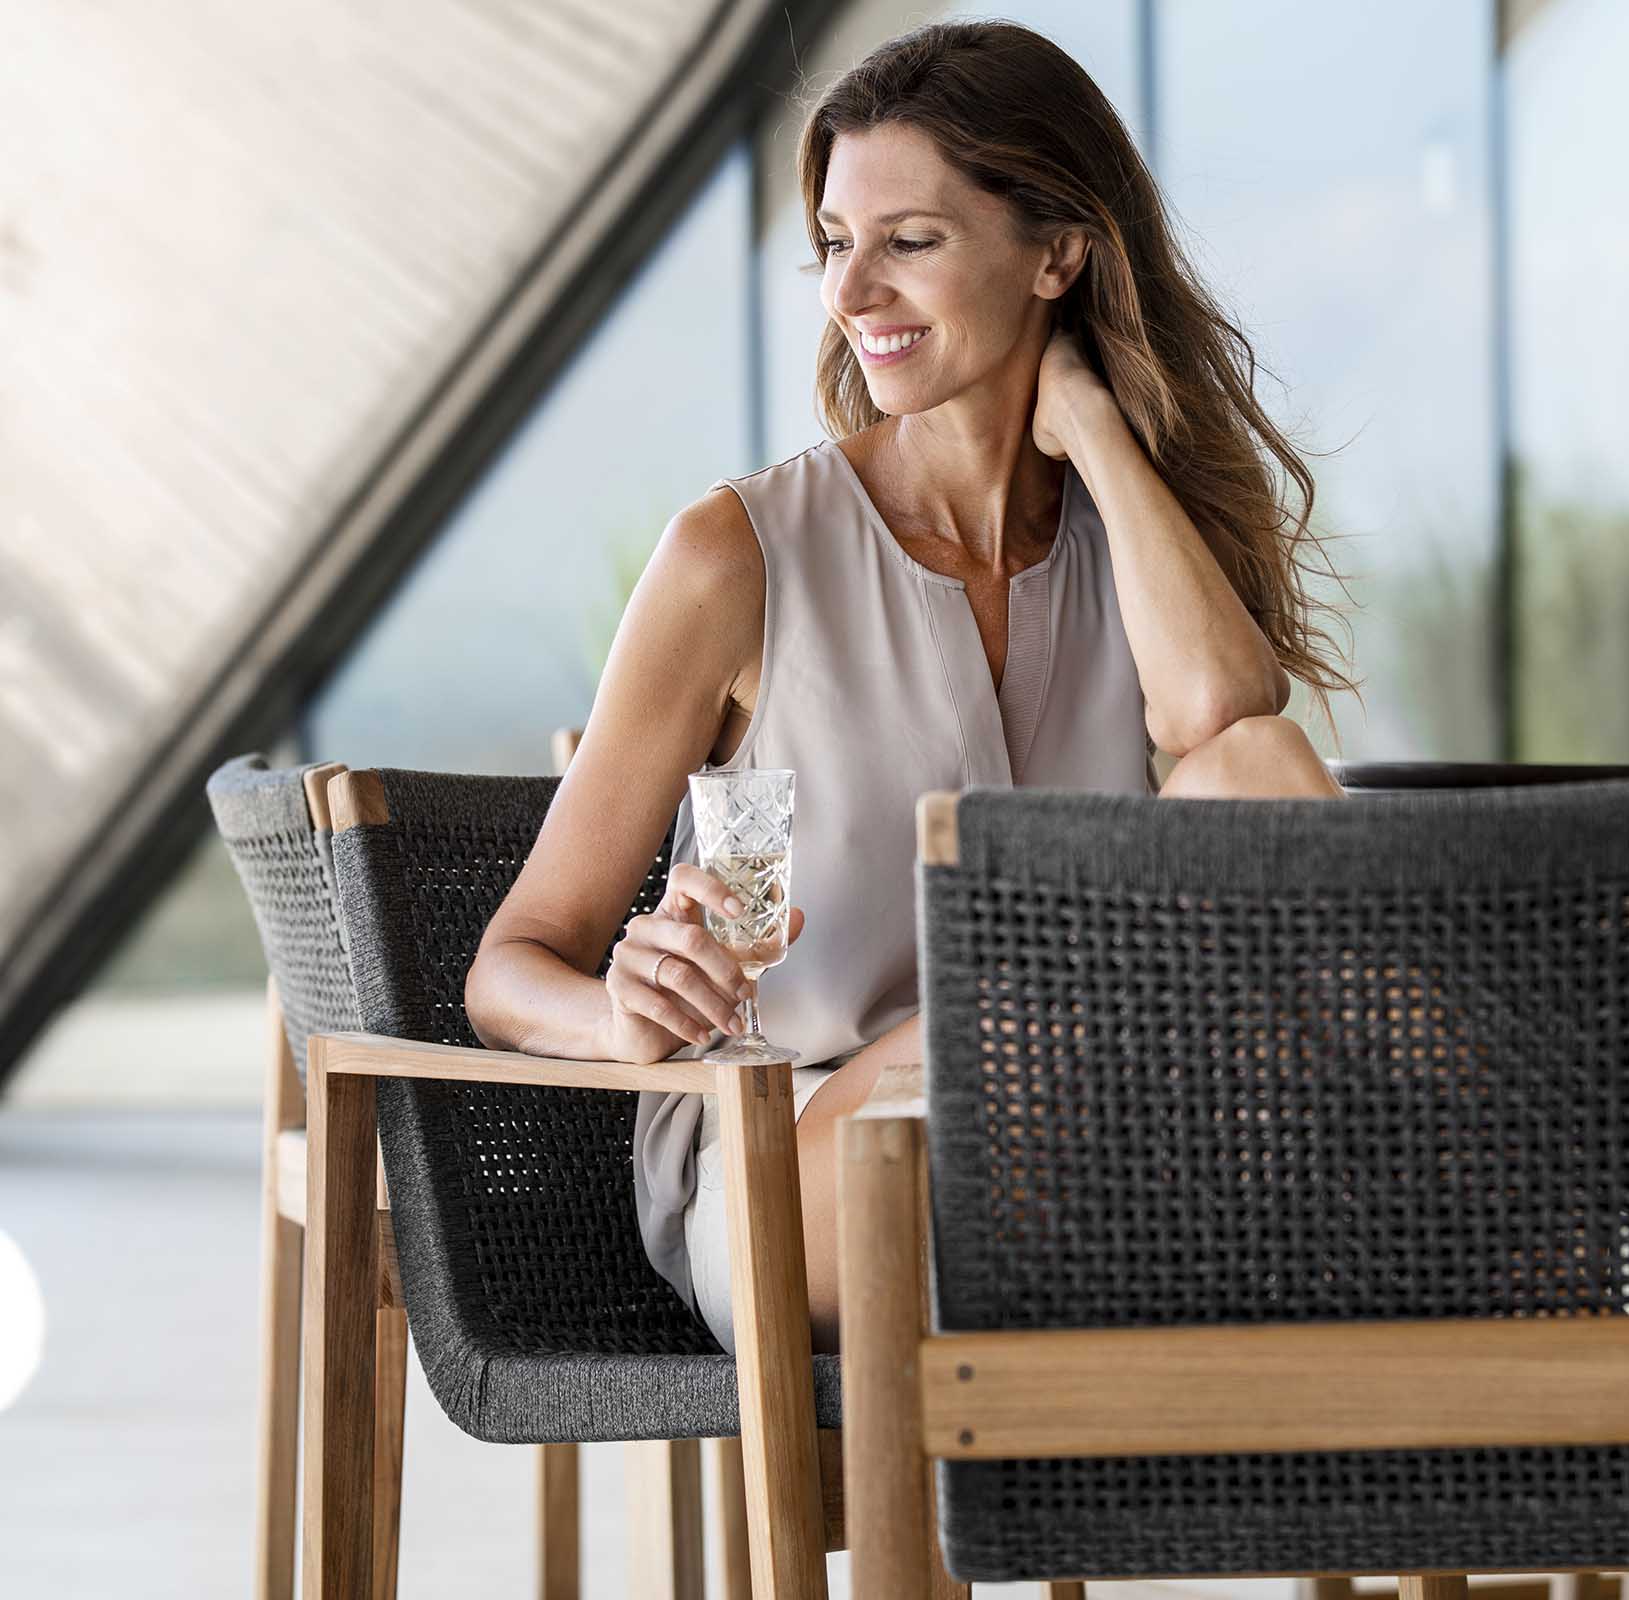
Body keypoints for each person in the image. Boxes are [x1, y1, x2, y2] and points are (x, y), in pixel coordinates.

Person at [464, 19, 1359, 1356]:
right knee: (1074, 1005)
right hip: (798, 1175)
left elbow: (1230, 728)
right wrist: (620, 1009)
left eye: (911, 241)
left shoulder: (1134, 550)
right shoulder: (735, 556)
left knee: (1262, 776)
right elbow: (506, 969)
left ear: (1058, 255)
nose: (852, 291)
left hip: (1092, 1142)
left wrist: (1100, 438)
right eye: (835, 242)